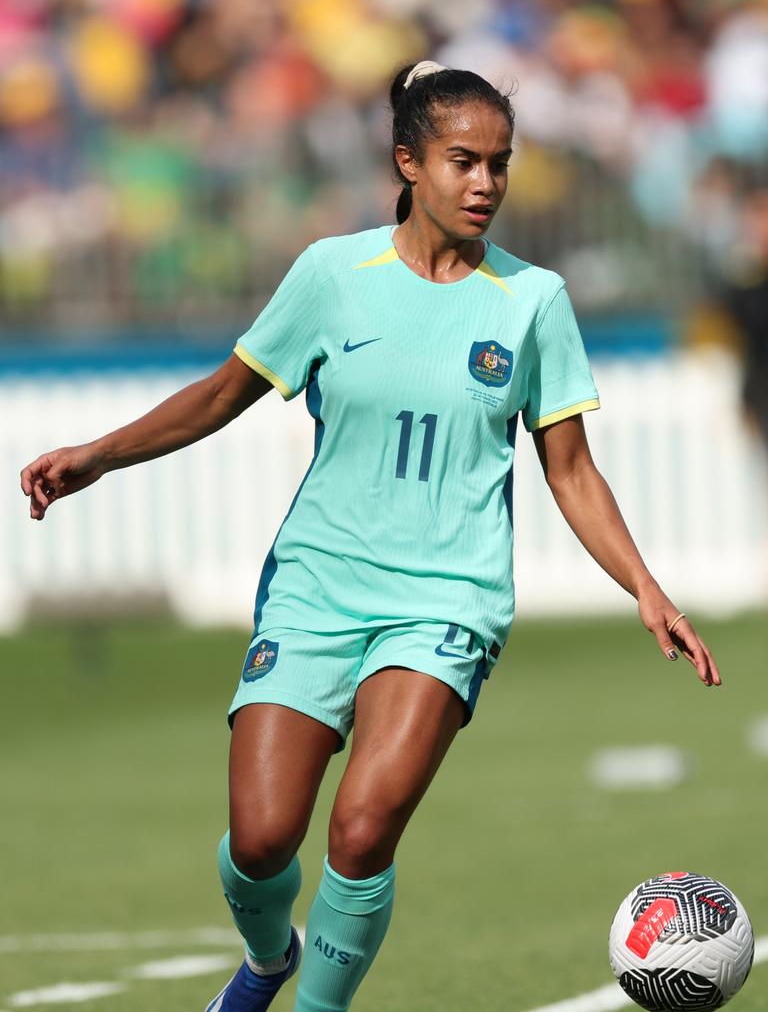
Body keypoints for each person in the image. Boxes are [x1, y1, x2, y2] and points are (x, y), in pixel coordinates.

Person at [20, 61, 721, 1012]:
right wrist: (100, 455)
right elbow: (222, 396)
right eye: (463, 161)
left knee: (361, 829)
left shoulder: (534, 300)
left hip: (447, 600)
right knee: (262, 839)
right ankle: (270, 959)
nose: (486, 184)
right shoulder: (330, 276)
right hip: (317, 584)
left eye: (500, 164)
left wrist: (646, 586)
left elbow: (570, 468)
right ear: (409, 162)